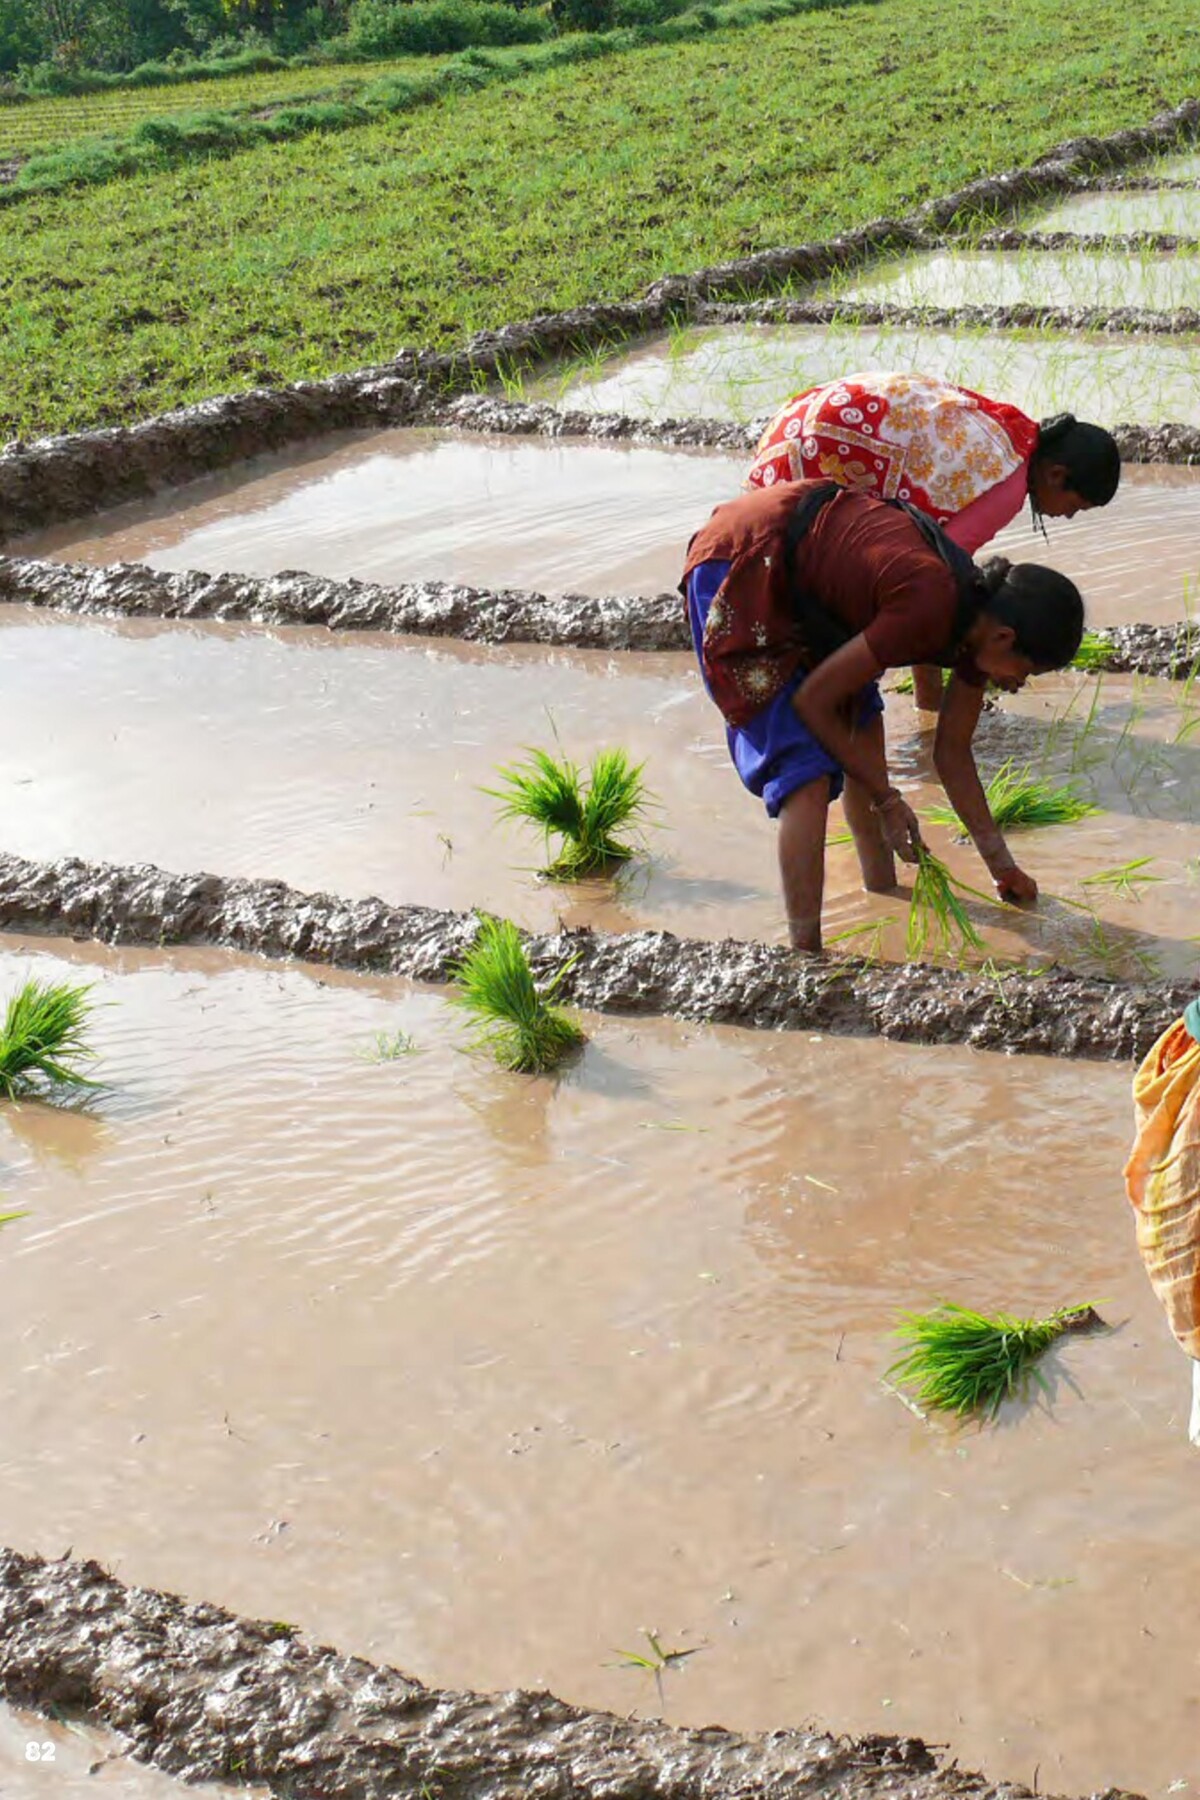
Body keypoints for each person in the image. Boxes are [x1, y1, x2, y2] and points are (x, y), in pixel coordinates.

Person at [681, 478, 1085, 952]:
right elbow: (812, 701)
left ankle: (883, 891)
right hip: (747, 560)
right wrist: (888, 799)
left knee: (862, 731)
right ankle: (804, 956)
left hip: (812, 585)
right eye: (1027, 671)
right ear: (1005, 637)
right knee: (805, 776)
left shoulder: (977, 630)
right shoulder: (931, 601)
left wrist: (1003, 868)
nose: (1018, 684)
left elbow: (952, 753)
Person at [746, 371, 1119, 711]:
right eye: (1076, 506)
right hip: (822, 447)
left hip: (810, 418)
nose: (1067, 516)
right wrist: (933, 707)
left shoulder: (1012, 434)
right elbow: (935, 581)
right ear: (1056, 475)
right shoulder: (1008, 486)